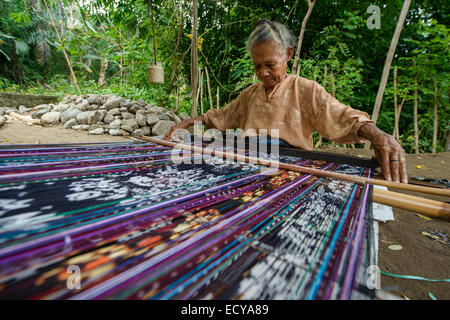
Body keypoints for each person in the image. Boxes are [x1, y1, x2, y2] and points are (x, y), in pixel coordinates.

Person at [163, 19, 408, 183]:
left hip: (292, 170)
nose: (263, 73)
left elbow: (343, 116)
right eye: (257, 66)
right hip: (249, 163)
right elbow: (218, 117)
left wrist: (378, 135)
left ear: (288, 54)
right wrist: (186, 123)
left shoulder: (306, 90)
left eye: (270, 64)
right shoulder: (250, 94)